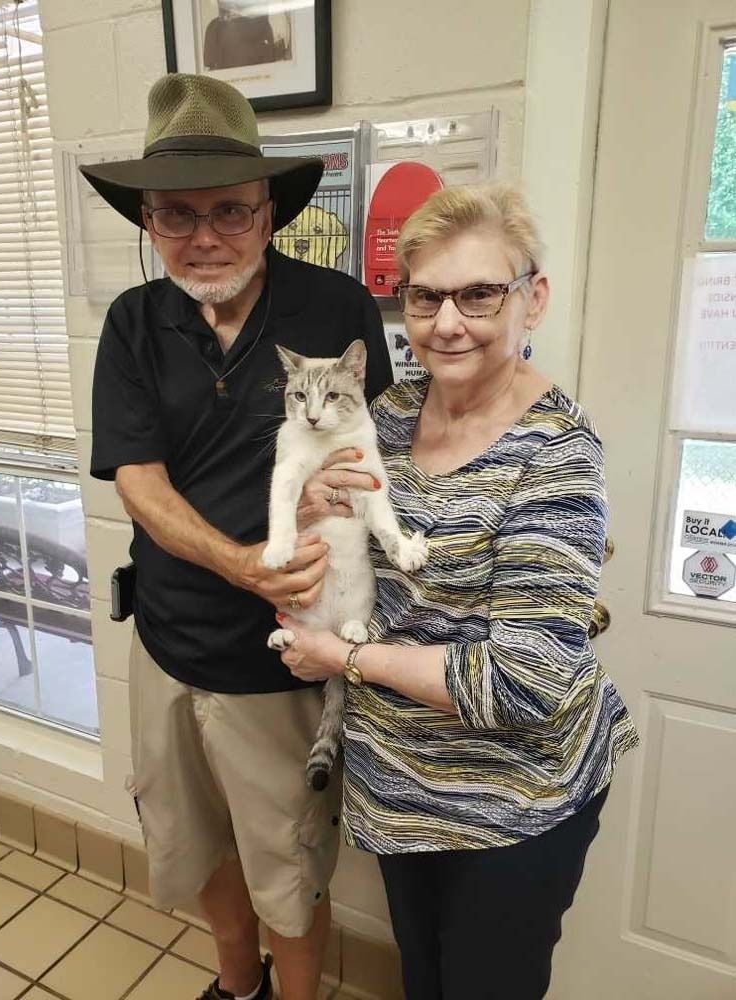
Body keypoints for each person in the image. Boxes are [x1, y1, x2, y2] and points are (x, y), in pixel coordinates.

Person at [276, 182, 640, 999]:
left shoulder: (557, 453)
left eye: (479, 293)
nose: (447, 322)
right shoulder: (391, 413)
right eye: (426, 296)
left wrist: (346, 654)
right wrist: (308, 534)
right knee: (426, 981)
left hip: (515, 803)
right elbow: (336, 535)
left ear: (532, 299)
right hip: (402, 784)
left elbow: (525, 680)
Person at [82, 73, 391, 1000]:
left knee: (289, 870)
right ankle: (236, 984)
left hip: (284, 660)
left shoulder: (334, 311)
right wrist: (245, 563)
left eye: (229, 211)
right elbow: (138, 477)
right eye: (178, 214)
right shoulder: (134, 322)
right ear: (147, 219)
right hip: (168, 643)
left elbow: (370, 461)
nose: (205, 236)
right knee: (193, 846)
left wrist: (316, 528)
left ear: (268, 214)